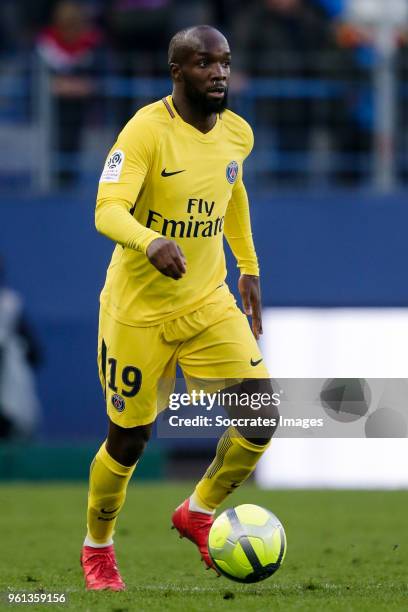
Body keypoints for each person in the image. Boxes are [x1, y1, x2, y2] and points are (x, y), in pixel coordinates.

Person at [81, 25, 278, 591]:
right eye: (204, 63)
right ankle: (98, 548)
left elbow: (232, 190)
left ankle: (197, 509)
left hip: (207, 299)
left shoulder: (237, 133)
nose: (219, 73)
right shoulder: (145, 131)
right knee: (130, 440)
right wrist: (149, 240)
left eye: (225, 63)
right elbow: (106, 209)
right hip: (138, 312)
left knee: (261, 417)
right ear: (177, 71)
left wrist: (248, 265)